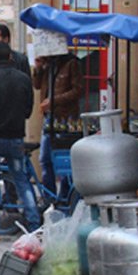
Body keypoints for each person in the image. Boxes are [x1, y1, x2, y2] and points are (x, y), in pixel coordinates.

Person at [0, 42, 41, 241]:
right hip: (16, 137)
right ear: (11, 56)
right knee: (21, 180)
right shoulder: (23, 79)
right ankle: (34, 225)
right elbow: (28, 108)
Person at [34, 53, 85, 195]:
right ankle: (49, 195)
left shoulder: (71, 63)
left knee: (64, 159)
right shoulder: (47, 64)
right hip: (49, 117)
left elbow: (78, 90)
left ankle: (65, 194)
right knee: (45, 158)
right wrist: (38, 68)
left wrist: (54, 100)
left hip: (65, 117)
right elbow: (37, 85)